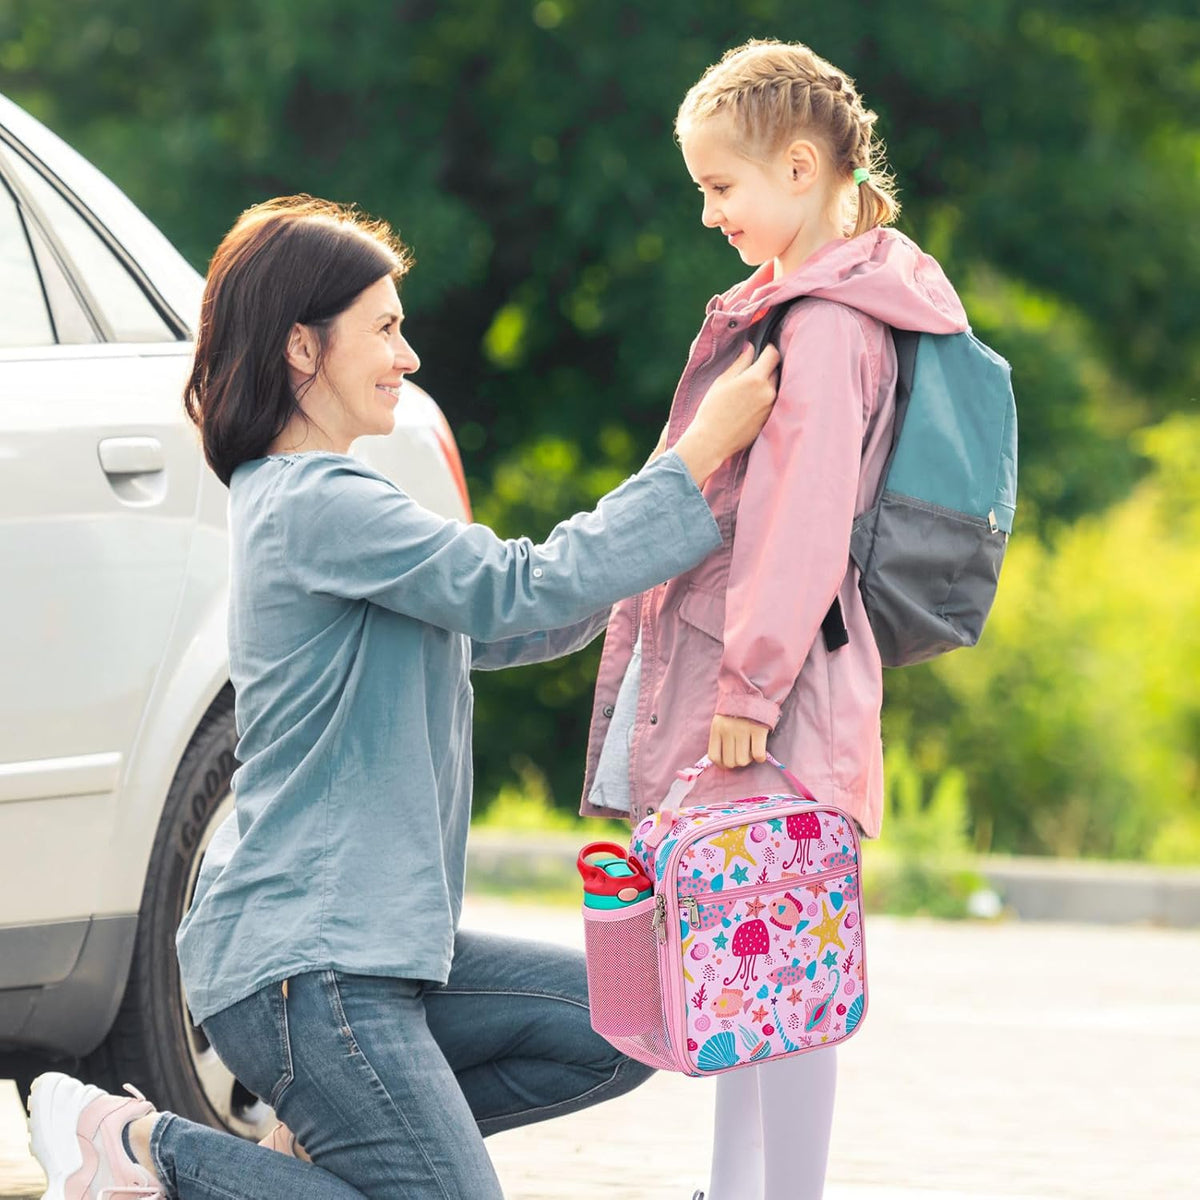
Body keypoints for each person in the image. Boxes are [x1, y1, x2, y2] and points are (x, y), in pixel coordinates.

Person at [27, 194, 780, 1200]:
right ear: (303, 346)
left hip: (379, 949)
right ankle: (138, 1147)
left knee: (627, 1022)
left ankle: (340, 1151)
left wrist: (689, 507)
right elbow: (524, 584)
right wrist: (697, 457)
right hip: (309, 966)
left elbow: (524, 620)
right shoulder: (315, 503)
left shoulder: (333, 502)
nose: (408, 355)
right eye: (385, 329)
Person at [578, 39, 971, 1200]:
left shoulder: (829, 323)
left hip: (778, 697)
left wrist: (748, 688)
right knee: (742, 950)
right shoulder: (810, 305)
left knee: (784, 967)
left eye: (720, 188)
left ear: (800, 168)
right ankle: (734, 1188)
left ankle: (778, 1192)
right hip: (780, 686)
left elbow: (798, 525)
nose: (709, 215)